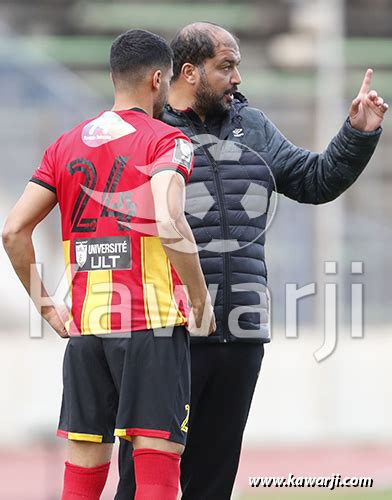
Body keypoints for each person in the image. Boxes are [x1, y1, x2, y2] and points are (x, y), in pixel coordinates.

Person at [115, 22, 388, 500]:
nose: (237, 77)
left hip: (239, 334)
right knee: (143, 486)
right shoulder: (149, 132)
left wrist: (358, 134)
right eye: (226, 66)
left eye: (237, 65)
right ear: (190, 72)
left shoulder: (254, 127)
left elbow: (315, 180)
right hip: (166, 334)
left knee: (212, 485)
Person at [2, 28, 215, 500]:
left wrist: (47, 307)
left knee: (82, 476)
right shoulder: (167, 141)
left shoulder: (65, 145)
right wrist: (200, 302)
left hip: (87, 330)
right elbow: (169, 221)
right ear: (158, 79)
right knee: (157, 477)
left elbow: (13, 230)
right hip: (152, 325)